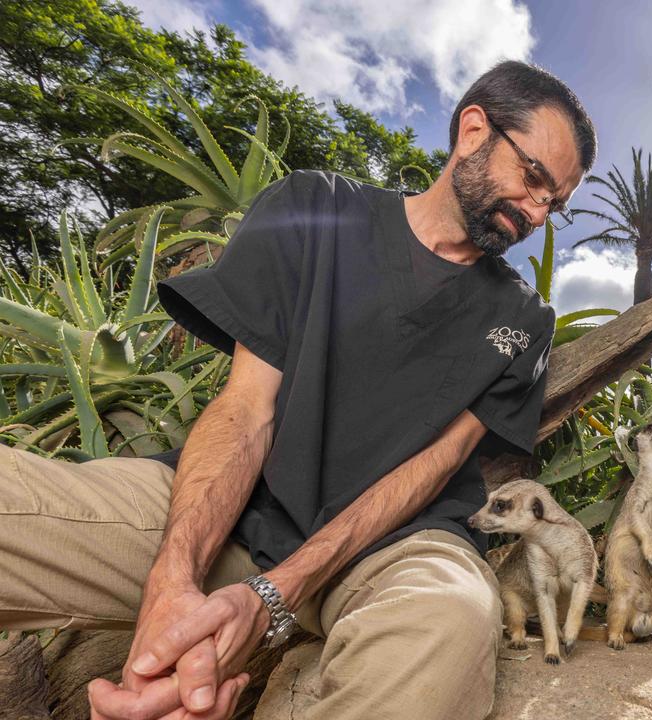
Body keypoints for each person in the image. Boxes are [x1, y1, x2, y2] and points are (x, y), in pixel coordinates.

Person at [0, 60, 595, 720]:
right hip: (234, 512)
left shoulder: (523, 321)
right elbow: (246, 409)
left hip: (398, 546)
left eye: (556, 204)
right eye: (534, 177)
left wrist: (273, 597)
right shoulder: (315, 207)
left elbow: (432, 469)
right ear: (474, 130)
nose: (538, 211)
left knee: (449, 622)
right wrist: (171, 586)